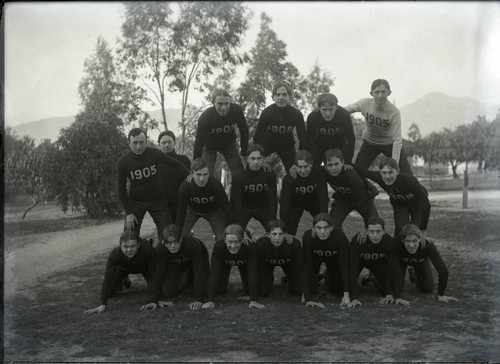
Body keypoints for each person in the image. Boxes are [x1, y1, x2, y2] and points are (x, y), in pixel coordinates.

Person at [117, 128, 190, 244]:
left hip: (158, 201)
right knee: (129, 236)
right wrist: (128, 213)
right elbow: (121, 188)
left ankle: (165, 259)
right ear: (129, 143)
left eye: (141, 142)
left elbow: (177, 164)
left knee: (168, 235)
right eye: (135, 143)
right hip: (136, 202)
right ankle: (141, 251)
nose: (138, 146)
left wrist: (190, 176)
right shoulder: (124, 162)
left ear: (146, 141)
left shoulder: (154, 154)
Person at [353, 156, 431, 241]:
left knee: (414, 231)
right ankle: (396, 251)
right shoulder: (379, 178)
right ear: (380, 173)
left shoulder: (410, 180)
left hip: (416, 204)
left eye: (390, 172)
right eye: (384, 173)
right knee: (401, 231)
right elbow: (363, 171)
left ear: (397, 171)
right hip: (399, 204)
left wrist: (423, 229)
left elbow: (426, 205)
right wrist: (346, 165)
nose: (387, 176)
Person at [344, 79, 412, 174]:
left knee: (407, 173)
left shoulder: (394, 112)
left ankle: (415, 189)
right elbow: (345, 111)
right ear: (371, 93)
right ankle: (368, 189)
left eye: (383, 92)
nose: (380, 95)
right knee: (358, 172)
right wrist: (331, 109)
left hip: (389, 144)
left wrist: (395, 164)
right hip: (369, 143)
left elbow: (397, 139)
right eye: (377, 92)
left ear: (389, 93)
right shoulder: (365, 103)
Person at [140, 224, 210, 311]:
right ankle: (186, 278)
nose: (172, 246)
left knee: (206, 291)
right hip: (177, 262)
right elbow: (159, 272)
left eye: (175, 242)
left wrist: (198, 299)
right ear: (164, 242)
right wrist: (154, 300)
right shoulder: (160, 249)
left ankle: (192, 278)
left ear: (180, 239)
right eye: (169, 243)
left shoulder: (192, 245)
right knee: (167, 292)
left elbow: (199, 271)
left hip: (196, 261)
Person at [85, 230, 155, 314]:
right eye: (125, 247)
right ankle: (125, 280)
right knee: (110, 293)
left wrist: (155, 300)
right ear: (120, 246)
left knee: (157, 290)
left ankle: (146, 241)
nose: (129, 250)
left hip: (144, 268)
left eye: (132, 246)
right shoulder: (115, 254)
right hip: (124, 269)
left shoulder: (147, 249)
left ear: (138, 245)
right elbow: (108, 277)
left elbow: (155, 273)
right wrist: (103, 304)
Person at [348, 217, 409, 308]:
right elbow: (353, 267)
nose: (375, 235)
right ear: (366, 231)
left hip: (377, 263)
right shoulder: (358, 241)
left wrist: (396, 296)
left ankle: (373, 278)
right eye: (372, 231)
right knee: (341, 290)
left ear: (384, 231)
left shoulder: (389, 242)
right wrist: (354, 298)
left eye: (378, 231)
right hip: (359, 263)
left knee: (390, 290)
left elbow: (394, 268)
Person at [202, 224, 264, 309]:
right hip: (225, 262)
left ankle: (248, 232)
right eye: (230, 242)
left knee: (253, 289)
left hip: (244, 262)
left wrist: (253, 299)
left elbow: (252, 272)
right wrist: (210, 300)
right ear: (224, 240)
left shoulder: (249, 247)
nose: (233, 246)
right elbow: (214, 272)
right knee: (219, 290)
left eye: (237, 242)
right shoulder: (219, 247)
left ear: (242, 239)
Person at [193, 89, 249, 177]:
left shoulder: (236, 110)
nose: (223, 108)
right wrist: (195, 164)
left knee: (239, 171)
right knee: (206, 173)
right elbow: (199, 142)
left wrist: (244, 152)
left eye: (227, 104)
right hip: (210, 146)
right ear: (213, 103)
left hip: (229, 144)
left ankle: (236, 190)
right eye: (219, 104)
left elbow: (244, 130)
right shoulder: (206, 117)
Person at [396, 224, 457, 303]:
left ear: (420, 239)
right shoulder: (396, 244)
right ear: (402, 240)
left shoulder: (427, 245)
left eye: (415, 241)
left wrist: (440, 295)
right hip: (402, 261)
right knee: (398, 289)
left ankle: (414, 274)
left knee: (427, 288)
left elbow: (443, 271)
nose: (411, 245)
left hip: (420, 260)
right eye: (408, 241)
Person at [253, 82, 307, 173]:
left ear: (289, 96)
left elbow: (303, 138)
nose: (281, 98)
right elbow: (258, 137)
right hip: (268, 143)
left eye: (284, 95)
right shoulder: (267, 113)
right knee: (253, 165)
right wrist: (260, 159)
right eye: (278, 95)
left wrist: (300, 159)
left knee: (295, 172)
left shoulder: (296, 114)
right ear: (273, 97)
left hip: (287, 146)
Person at [176, 158, 233, 243]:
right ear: (192, 174)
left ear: (209, 174)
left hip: (214, 211)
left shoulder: (216, 185)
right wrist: (177, 230)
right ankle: (189, 238)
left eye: (205, 174)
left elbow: (226, 207)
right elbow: (181, 210)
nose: (202, 179)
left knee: (222, 240)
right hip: (192, 210)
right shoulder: (185, 187)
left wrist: (232, 227)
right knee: (181, 237)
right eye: (198, 174)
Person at [301, 213, 352, 308]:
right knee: (311, 289)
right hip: (315, 260)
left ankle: (327, 274)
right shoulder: (308, 237)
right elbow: (306, 265)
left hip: (333, 260)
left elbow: (344, 265)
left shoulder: (339, 237)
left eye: (326, 228)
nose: (322, 231)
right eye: (318, 228)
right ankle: (317, 277)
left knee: (337, 289)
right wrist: (306, 296)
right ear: (314, 228)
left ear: (331, 228)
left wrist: (346, 295)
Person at [322, 148, 379, 232]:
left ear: (342, 162)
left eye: (336, 164)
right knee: (332, 228)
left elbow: (362, 199)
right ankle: (342, 243)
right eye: (330, 165)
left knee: (375, 226)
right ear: (325, 166)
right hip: (343, 200)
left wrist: (368, 225)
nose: (333, 168)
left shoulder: (351, 175)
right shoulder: (323, 172)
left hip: (363, 199)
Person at [280, 150, 328, 236]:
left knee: (325, 224)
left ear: (311, 164)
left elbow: (323, 198)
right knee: (289, 230)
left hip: (314, 201)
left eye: (306, 166)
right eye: (299, 167)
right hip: (296, 203)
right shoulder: (289, 179)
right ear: (295, 166)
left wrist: (323, 220)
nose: (303, 170)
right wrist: (281, 226)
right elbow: (284, 204)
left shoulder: (318, 173)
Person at [230, 143, 278, 231]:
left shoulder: (269, 173)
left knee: (274, 231)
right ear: (247, 158)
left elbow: (273, 200)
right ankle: (248, 233)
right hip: (245, 207)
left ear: (263, 159)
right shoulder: (238, 175)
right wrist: (238, 225)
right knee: (236, 232)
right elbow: (236, 202)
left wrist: (272, 222)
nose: (256, 162)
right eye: (253, 158)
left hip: (263, 207)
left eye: (259, 158)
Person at [254, 220, 305, 299]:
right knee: (262, 292)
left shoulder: (293, 244)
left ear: (285, 234)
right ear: (267, 234)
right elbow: (258, 268)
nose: (277, 238)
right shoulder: (261, 244)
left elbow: (300, 268)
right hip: (268, 264)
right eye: (274, 234)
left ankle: (288, 278)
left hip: (288, 263)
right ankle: (269, 280)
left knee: (298, 290)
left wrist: (305, 295)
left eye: (280, 234)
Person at [306, 93, 356, 166]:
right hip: (320, 146)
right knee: (313, 168)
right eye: (324, 110)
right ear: (319, 108)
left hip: (339, 146)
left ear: (336, 107)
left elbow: (351, 138)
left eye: (331, 109)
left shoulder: (344, 115)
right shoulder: (313, 117)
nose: (328, 113)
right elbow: (309, 139)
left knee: (343, 168)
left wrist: (347, 160)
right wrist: (312, 157)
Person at [157, 131, 191, 223]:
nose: (167, 145)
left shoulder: (184, 160)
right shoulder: (155, 163)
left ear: (174, 143)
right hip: (163, 204)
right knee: (167, 233)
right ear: (159, 144)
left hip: (181, 202)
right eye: (164, 143)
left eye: (169, 142)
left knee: (182, 232)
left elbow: (191, 180)